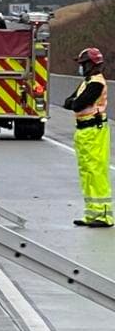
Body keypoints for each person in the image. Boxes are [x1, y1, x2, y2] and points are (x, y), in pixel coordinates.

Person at [63, 47, 112, 228]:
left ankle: (104, 215)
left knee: (96, 172)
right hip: (84, 131)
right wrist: (74, 102)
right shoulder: (87, 82)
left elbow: (76, 104)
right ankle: (92, 213)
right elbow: (68, 101)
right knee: (86, 173)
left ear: (91, 65)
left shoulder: (96, 83)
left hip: (94, 130)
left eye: (83, 64)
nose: (81, 67)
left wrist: (74, 102)